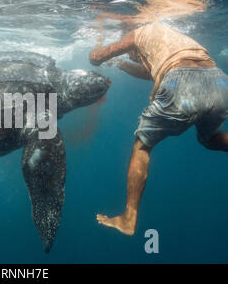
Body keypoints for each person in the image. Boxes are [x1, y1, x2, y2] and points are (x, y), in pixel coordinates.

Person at [89, 21, 228, 235]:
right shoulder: (165, 35)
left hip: (181, 81)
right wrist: (122, 65)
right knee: (209, 139)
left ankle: (129, 219)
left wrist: (97, 49)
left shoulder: (136, 33)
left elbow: (97, 58)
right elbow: (151, 71)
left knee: (142, 146)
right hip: (219, 82)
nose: (131, 57)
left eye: (130, 55)